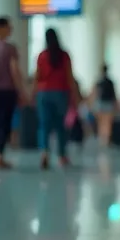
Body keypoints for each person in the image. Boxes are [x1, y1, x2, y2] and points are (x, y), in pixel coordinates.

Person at [0, 16, 30, 169]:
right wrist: (22, 90)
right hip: (7, 91)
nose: (11, 29)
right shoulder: (10, 48)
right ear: (1, 28)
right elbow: (14, 71)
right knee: (5, 123)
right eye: (8, 27)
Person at [34, 28, 79, 169]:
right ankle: (62, 156)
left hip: (44, 93)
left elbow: (37, 76)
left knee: (44, 125)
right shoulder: (64, 56)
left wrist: (32, 93)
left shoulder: (42, 56)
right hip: (61, 93)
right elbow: (70, 77)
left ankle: (45, 153)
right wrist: (75, 96)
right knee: (61, 126)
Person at [91, 65, 118, 146]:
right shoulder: (110, 82)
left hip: (102, 103)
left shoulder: (99, 82)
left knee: (102, 122)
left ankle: (103, 138)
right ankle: (106, 138)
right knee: (107, 122)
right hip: (107, 103)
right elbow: (113, 95)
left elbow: (96, 93)